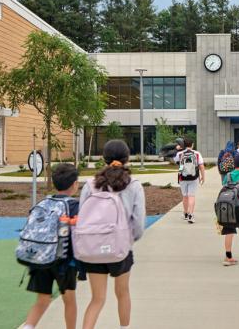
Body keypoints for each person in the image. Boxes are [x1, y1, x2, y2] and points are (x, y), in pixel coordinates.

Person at [79, 140, 146, 329]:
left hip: (93, 246)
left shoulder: (90, 184)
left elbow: (81, 216)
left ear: (104, 158)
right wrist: (129, 240)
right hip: (121, 247)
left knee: (97, 299)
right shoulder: (133, 185)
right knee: (122, 293)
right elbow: (139, 223)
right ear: (127, 158)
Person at [20, 163, 81, 329]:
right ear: (75, 184)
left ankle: (28, 326)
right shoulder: (75, 205)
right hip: (64, 261)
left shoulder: (43, 202)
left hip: (40, 257)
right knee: (69, 301)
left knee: (42, 300)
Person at [173, 138, 205, 224]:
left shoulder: (179, 154)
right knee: (191, 196)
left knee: (185, 196)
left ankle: (185, 213)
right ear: (192, 144)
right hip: (194, 178)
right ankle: (191, 215)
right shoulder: (197, 154)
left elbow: (176, 162)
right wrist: (203, 177)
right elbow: (201, 166)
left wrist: (177, 149)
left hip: (182, 177)